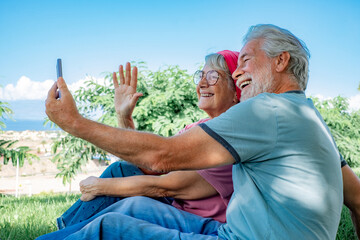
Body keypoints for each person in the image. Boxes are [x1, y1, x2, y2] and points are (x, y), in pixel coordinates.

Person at [43, 24, 349, 239]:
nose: (240, 71)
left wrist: (75, 123)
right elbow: (358, 199)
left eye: (245, 61)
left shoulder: (266, 110)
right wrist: (124, 117)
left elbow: (162, 161)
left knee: (108, 228)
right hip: (231, 230)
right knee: (133, 203)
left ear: (281, 61)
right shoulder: (309, 120)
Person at [55, 50, 239, 229]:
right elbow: (151, 164)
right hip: (176, 206)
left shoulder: (231, 136)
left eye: (213, 76)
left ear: (235, 89)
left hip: (196, 223)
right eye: (201, 75)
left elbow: (166, 186)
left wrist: (99, 186)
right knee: (121, 169)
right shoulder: (198, 126)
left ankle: (67, 232)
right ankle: (67, 230)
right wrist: (124, 116)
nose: (202, 83)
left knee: (119, 187)